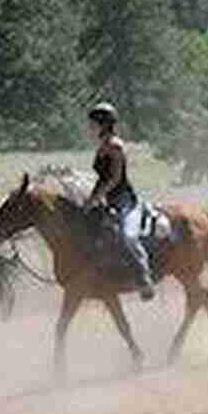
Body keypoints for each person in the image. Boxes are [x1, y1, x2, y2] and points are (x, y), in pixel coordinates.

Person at [85, 101, 155, 300]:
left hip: (124, 200)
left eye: (92, 124)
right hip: (107, 200)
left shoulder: (115, 146)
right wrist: (91, 197)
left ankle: (144, 279)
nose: (89, 128)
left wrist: (97, 197)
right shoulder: (102, 145)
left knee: (128, 236)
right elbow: (101, 177)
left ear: (103, 124)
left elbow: (115, 178)